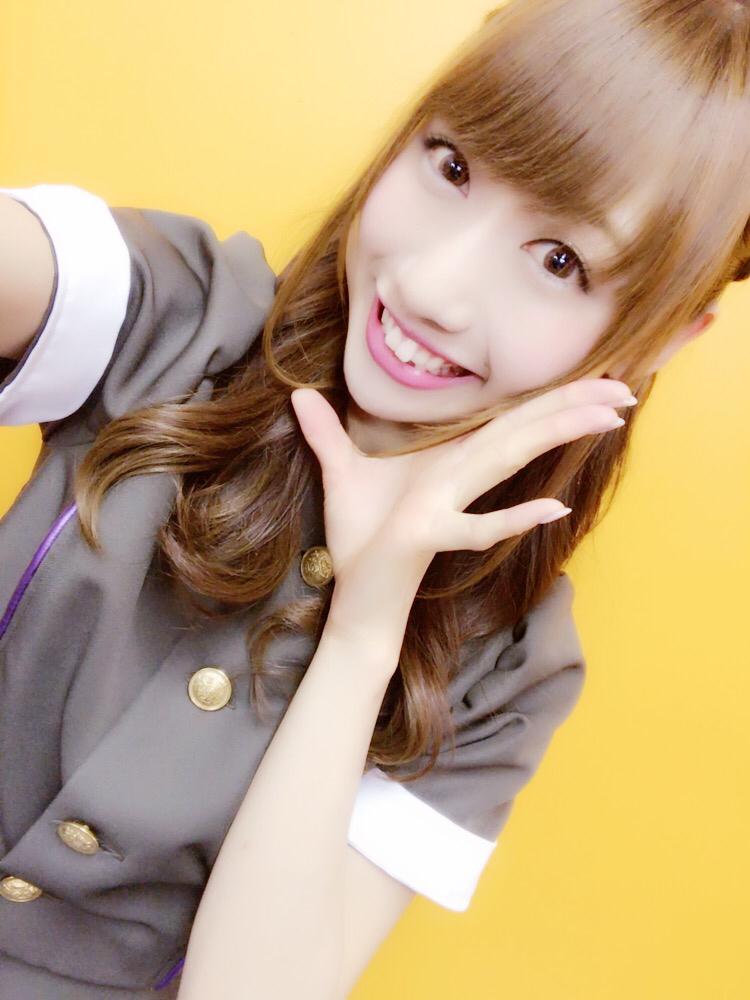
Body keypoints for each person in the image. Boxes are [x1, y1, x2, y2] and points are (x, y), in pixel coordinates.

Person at [0, 0, 747, 996]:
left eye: (560, 261)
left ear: (661, 337)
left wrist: (364, 631)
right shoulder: (180, 316)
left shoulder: (509, 672)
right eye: (452, 166)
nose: (433, 286)